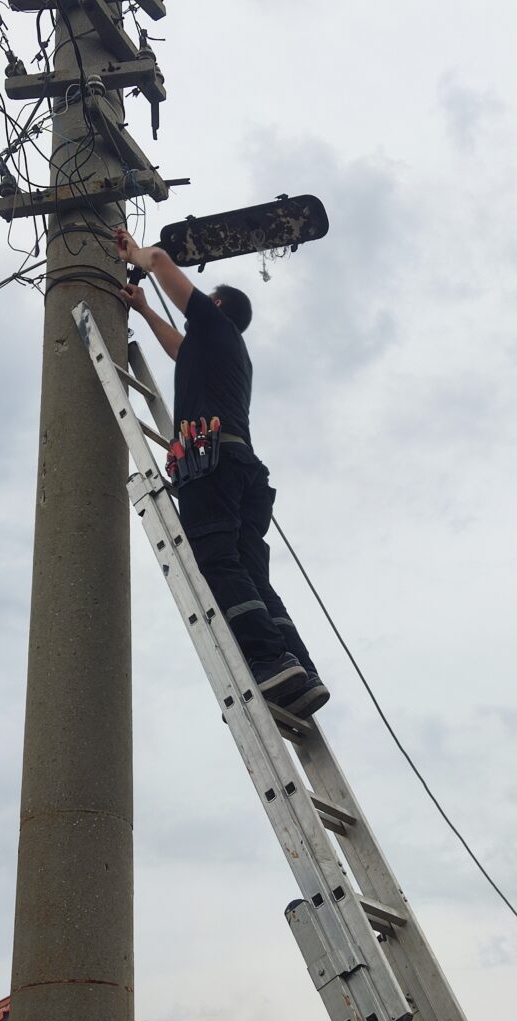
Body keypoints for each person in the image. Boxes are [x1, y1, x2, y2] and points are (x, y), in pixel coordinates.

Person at [114, 228, 329, 718]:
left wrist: (140, 256)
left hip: (212, 465)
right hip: (244, 470)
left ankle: (268, 660)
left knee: (216, 562)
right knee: (251, 573)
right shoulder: (219, 350)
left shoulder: (213, 326)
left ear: (214, 306)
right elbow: (177, 350)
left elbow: (164, 261)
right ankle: (297, 667)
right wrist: (145, 310)